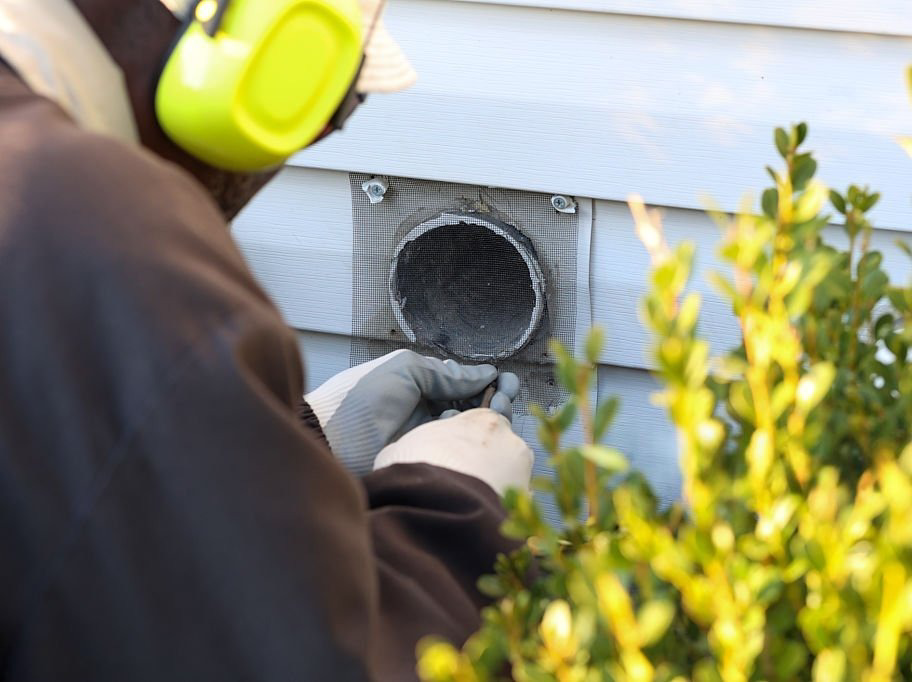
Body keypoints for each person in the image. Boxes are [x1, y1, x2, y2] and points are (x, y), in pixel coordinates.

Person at [0, 0, 535, 679]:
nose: (300, 145)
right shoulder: (105, 225)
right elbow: (304, 661)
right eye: (327, 103)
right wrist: (451, 509)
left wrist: (307, 436)